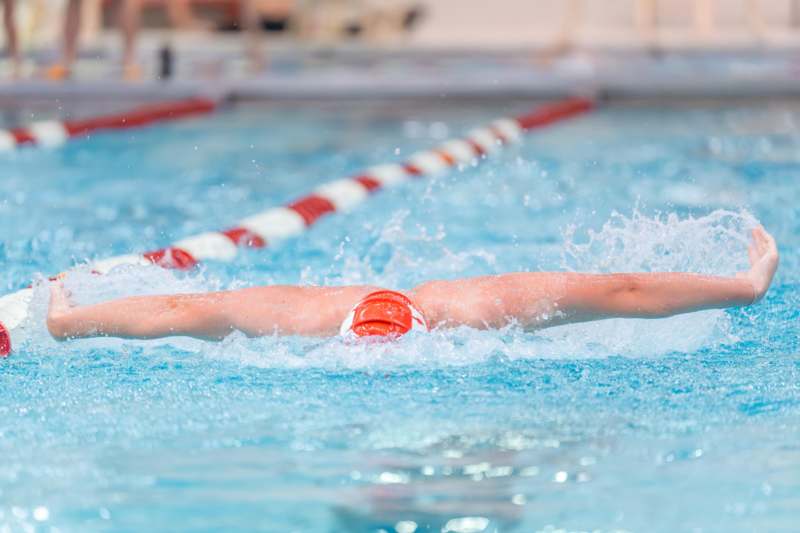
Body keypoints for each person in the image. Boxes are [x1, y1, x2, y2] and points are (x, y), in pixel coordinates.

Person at [46, 227, 778, 342]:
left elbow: (622, 288)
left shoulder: (474, 308)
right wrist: (64, 321)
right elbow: (173, 307)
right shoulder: (300, 315)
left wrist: (68, 319)